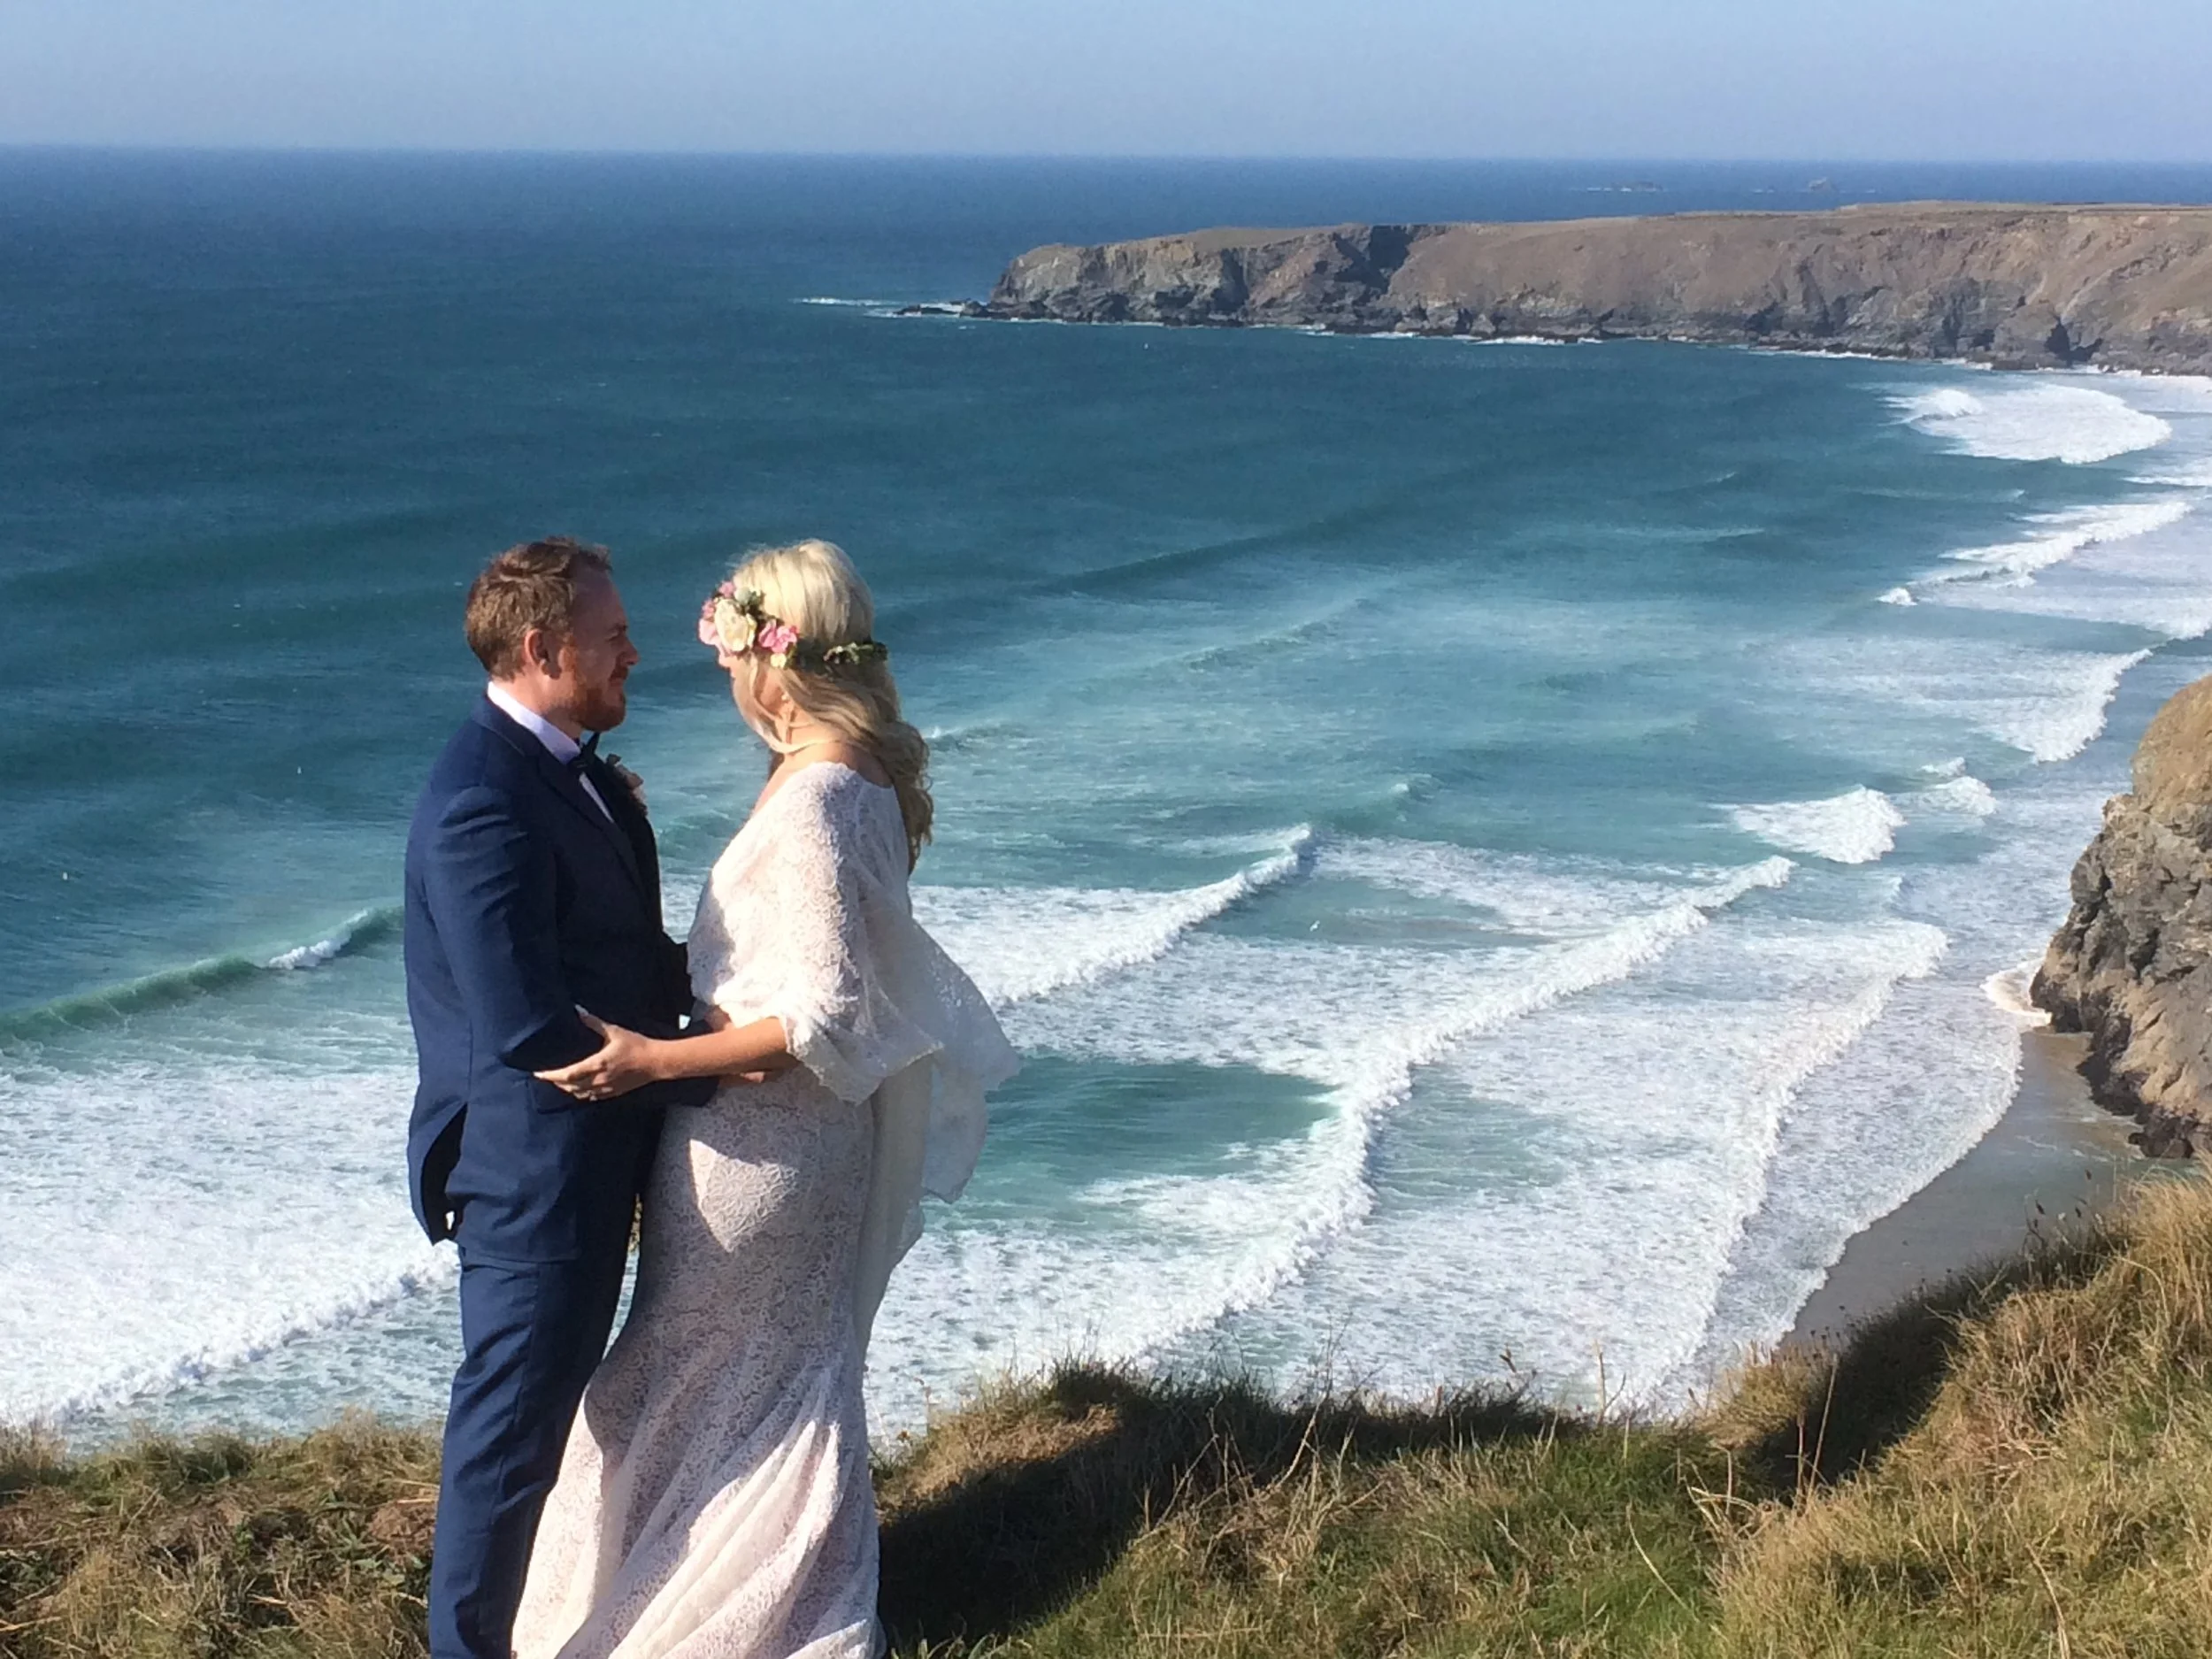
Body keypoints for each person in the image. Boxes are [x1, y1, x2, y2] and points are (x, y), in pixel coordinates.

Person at [512, 539, 1018, 1659]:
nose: (719, 672)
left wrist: (647, 1060)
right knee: (761, 1384)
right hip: (793, 1150)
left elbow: (818, 1019)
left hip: (760, 1151)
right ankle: (720, 1596)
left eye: (733, 647)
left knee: (709, 1380)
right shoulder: (860, 777)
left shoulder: (815, 801)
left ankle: (709, 1621)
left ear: (770, 657)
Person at [403, 537, 717, 1659]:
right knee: (509, 1436)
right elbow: (526, 1023)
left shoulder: (565, 771)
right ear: (542, 648)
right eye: (613, 634)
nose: (635, 649)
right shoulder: (481, 802)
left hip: (590, 1157)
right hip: (535, 1176)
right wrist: (704, 1063)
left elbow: (622, 950)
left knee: (547, 1425)